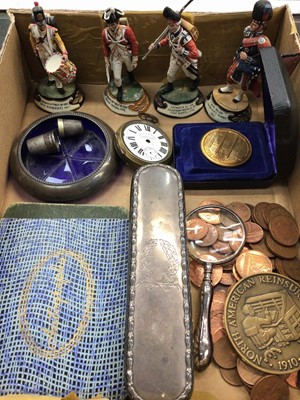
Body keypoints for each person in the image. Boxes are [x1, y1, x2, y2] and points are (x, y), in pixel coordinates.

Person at [219, 0, 273, 103]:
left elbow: (264, 62)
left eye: (256, 23)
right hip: (239, 59)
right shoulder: (248, 32)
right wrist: (237, 55)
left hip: (249, 65)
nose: (252, 24)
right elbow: (242, 46)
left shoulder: (263, 42)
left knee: (244, 83)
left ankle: (240, 95)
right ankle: (229, 88)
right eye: (253, 21)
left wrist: (247, 59)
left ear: (262, 26)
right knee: (230, 74)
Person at [148, 6, 201, 94]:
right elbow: (167, 40)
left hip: (185, 59)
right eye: (168, 23)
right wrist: (157, 45)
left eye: (172, 24)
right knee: (170, 74)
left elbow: (195, 53)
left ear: (177, 23)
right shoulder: (170, 32)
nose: (170, 25)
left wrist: (183, 51)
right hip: (174, 57)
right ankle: (170, 86)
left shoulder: (185, 37)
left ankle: (196, 81)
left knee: (191, 75)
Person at [28, 2, 70, 95]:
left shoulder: (52, 30)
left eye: (43, 24)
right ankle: (51, 79)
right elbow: (32, 39)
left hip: (52, 52)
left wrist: (64, 53)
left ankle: (59, 86)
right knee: (46, 68)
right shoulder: (32, 29)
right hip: (41, 53)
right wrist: (34, 49)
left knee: (57, 71)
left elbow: (60, 42)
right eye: (39, 24)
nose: (42, 26)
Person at [101, 8, 139, 102]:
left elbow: (134, 44)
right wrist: (106, 59)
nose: (112, 26)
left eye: (114, 24)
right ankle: (120, 89)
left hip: (126, 54)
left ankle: (131, 78)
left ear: (118, 22)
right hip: (115, 57)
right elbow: (105, 46)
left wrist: (135, 58)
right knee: (117, 77)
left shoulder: (126, 30)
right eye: (109, 24)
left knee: (130, 68)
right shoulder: (104, 33)